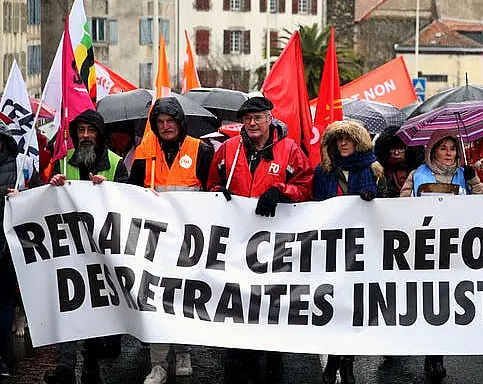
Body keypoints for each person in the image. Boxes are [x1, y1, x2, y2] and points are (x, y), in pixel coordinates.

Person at [207, 96, 312, 384]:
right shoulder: (229, 150)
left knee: (269, 308)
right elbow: (211, 185)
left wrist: (281, 191)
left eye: (258, 117)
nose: (252, 123)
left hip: (274, 248)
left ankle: (271, 366)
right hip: (235, 247)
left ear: (270, 118)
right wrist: (218, 194)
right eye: (247, 118)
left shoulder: (289, 150)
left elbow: (306, 186)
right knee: (237, 306)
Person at [129, 97, 213, 384]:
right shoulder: (144, 151)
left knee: (185, 297)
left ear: (180, 123)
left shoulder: (200, 150)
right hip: (154, 240)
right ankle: (158, 364)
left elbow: (212, 189)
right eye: (160, 122)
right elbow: (131, 192)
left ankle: (183, 353)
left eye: (170, 121)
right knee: (156, 299)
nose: (165, 127)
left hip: (190, 240)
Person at [45, 110, 128, 384]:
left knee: (96, 309)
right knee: (67, 304)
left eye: (90, 131)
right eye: (80, 131)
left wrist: (109, 190)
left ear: (100, 134)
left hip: (102, 250)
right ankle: (66, 366)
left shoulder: (116, 165)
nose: (85, 136)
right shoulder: (61, 164)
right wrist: (51, 185)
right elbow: (42, 198)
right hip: (67, 248)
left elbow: (130, 203)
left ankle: (91, 365)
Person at [398, 130, 483, 384]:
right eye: (443, 148)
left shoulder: (465, 176)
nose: (449, 153)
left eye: (452, 148)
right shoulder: (417, 176)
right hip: (424, 250)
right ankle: (430, 353)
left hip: (455, 250)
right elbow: (401, 207)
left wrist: (475, 182)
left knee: (446, 303)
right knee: (428, 303)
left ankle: (438, 357)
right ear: (432, 151)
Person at [313, 120, 386, 384]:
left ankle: (347, 364)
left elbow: (387, 207)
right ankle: (333, 361)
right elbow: (314, 207)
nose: (343, 144)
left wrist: (374, 196)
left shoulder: (374, 170)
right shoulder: (323, 172)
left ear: (358, 142)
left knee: (354, 308)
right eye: (338, 139)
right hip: (331, 249)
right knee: (333, 306)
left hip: (362, 249)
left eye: (348, 139)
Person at [0, 121, 42, 379]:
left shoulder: (21, 165)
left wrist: (23, 197)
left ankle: (2, 355)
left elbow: (40, 195)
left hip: (6, 247)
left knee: (4, 302)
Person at [373, 125, 423, 198]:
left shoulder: (417, 170)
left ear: (408, 149)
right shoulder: (380, 169)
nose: (396, 152)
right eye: (392, 149)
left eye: (401, 148)